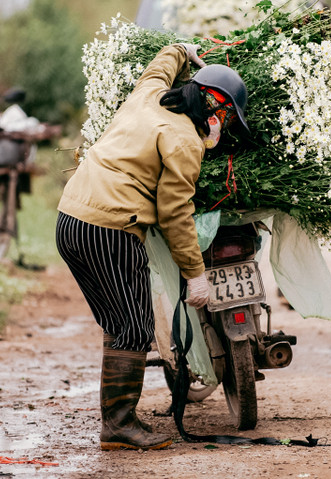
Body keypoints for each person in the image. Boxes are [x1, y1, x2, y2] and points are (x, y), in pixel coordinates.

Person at [55, 43, 249, 451]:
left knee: (119, 324)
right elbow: (174, 213)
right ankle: (119, 425)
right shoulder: (185, 141)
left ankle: (117, 422)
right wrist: (195, 275)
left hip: (70, 220)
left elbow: (161, 66)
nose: (223, 125)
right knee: (134, 328)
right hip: (111, 229)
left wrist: (182, 49)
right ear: (214, 111)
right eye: (225, 117)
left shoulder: (148, 95)